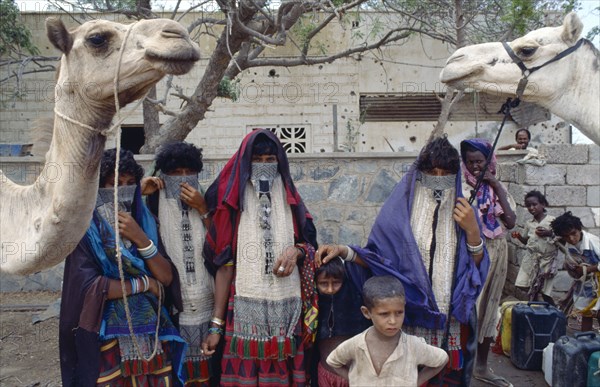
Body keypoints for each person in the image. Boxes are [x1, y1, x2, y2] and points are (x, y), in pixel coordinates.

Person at [317, 136, 489, 386]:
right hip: (406, 318)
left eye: (446, 172)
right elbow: (379, 260)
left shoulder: (464, 210)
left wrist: (473, 232)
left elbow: (476, 268)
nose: (438, 178)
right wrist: (345, 251)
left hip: (451, 319)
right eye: (432, 171)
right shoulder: (400, 212)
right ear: (419, 173)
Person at [59, 148, 186, 386]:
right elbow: (89, 286)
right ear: (98, 188)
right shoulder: (85, 231)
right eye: (114, 184)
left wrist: (140, 238)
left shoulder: (144, 220)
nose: (122, 192)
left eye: (129, 184)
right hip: (105, 334)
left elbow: (167, 277)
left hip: (152, 334)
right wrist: (145, 284)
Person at [202, 129, 319, 386]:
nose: (264, 166)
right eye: (257, 160)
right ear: (246, 162)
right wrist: (216, 326)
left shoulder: (291, 200)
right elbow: (224, 265)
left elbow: (310, 245)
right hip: (243, 309)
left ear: (280, 162)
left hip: (288, 310)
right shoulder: (231, 203)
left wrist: (295, 251)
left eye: (270, 160)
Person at [145, 142, 216, 386]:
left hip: (208, 297)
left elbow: (221, 245)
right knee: (175, 367)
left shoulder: (207, 199)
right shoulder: (152, 204)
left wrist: (203, 208)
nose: (183, 179)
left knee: (207, 368)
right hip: (172, 302)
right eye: (175, 174)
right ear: (163, 175)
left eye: (188, 172)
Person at [460, 138, 515, 387]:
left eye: (479, 161)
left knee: (490, 307)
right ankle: (461, 366)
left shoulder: (496, 188)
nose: (474, 167)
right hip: (472, 251)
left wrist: (494, 184)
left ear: (488, 161)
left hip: (498, 249)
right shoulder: (462, 187)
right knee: (470, 306)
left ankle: (481, 367)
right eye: (470, 162)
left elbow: (511, 221)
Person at [326, 276, 448, 386]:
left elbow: (442, 359)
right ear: (367, 312)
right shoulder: (356, 344)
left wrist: (416, 381)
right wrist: (355, 380)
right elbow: (333, 361)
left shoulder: (413, 346)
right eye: (384, 314)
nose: (393, 321)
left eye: (399, 313)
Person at [313, 257, 371, 387]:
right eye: (323, 283)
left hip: (353, 377)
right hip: (325, 374)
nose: (330, 289)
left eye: (336, 282)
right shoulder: (313, 307)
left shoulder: (354, 303)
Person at [551, 211, 600, 331]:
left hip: (597, 280)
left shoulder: (593, 242)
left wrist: (589, 269)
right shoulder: (568, 244)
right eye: (566, 236)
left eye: (573, 234)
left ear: (579, 229)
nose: (571, 238)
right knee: (585, 312)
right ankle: (585, 338)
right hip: (586, 284)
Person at [512, 191, 558, 305]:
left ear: (543, 205)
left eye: (534, 204)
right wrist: (518, 237)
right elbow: (527, 240)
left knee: (545, 292)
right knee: (527, 286)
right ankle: (535, 309)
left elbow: (561, 238)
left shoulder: (552, 221)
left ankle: (553, 311)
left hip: (546, 261)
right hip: (531, 259)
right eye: (528, 206)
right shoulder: (529, 223)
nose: (531, 208)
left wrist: (549, 233)